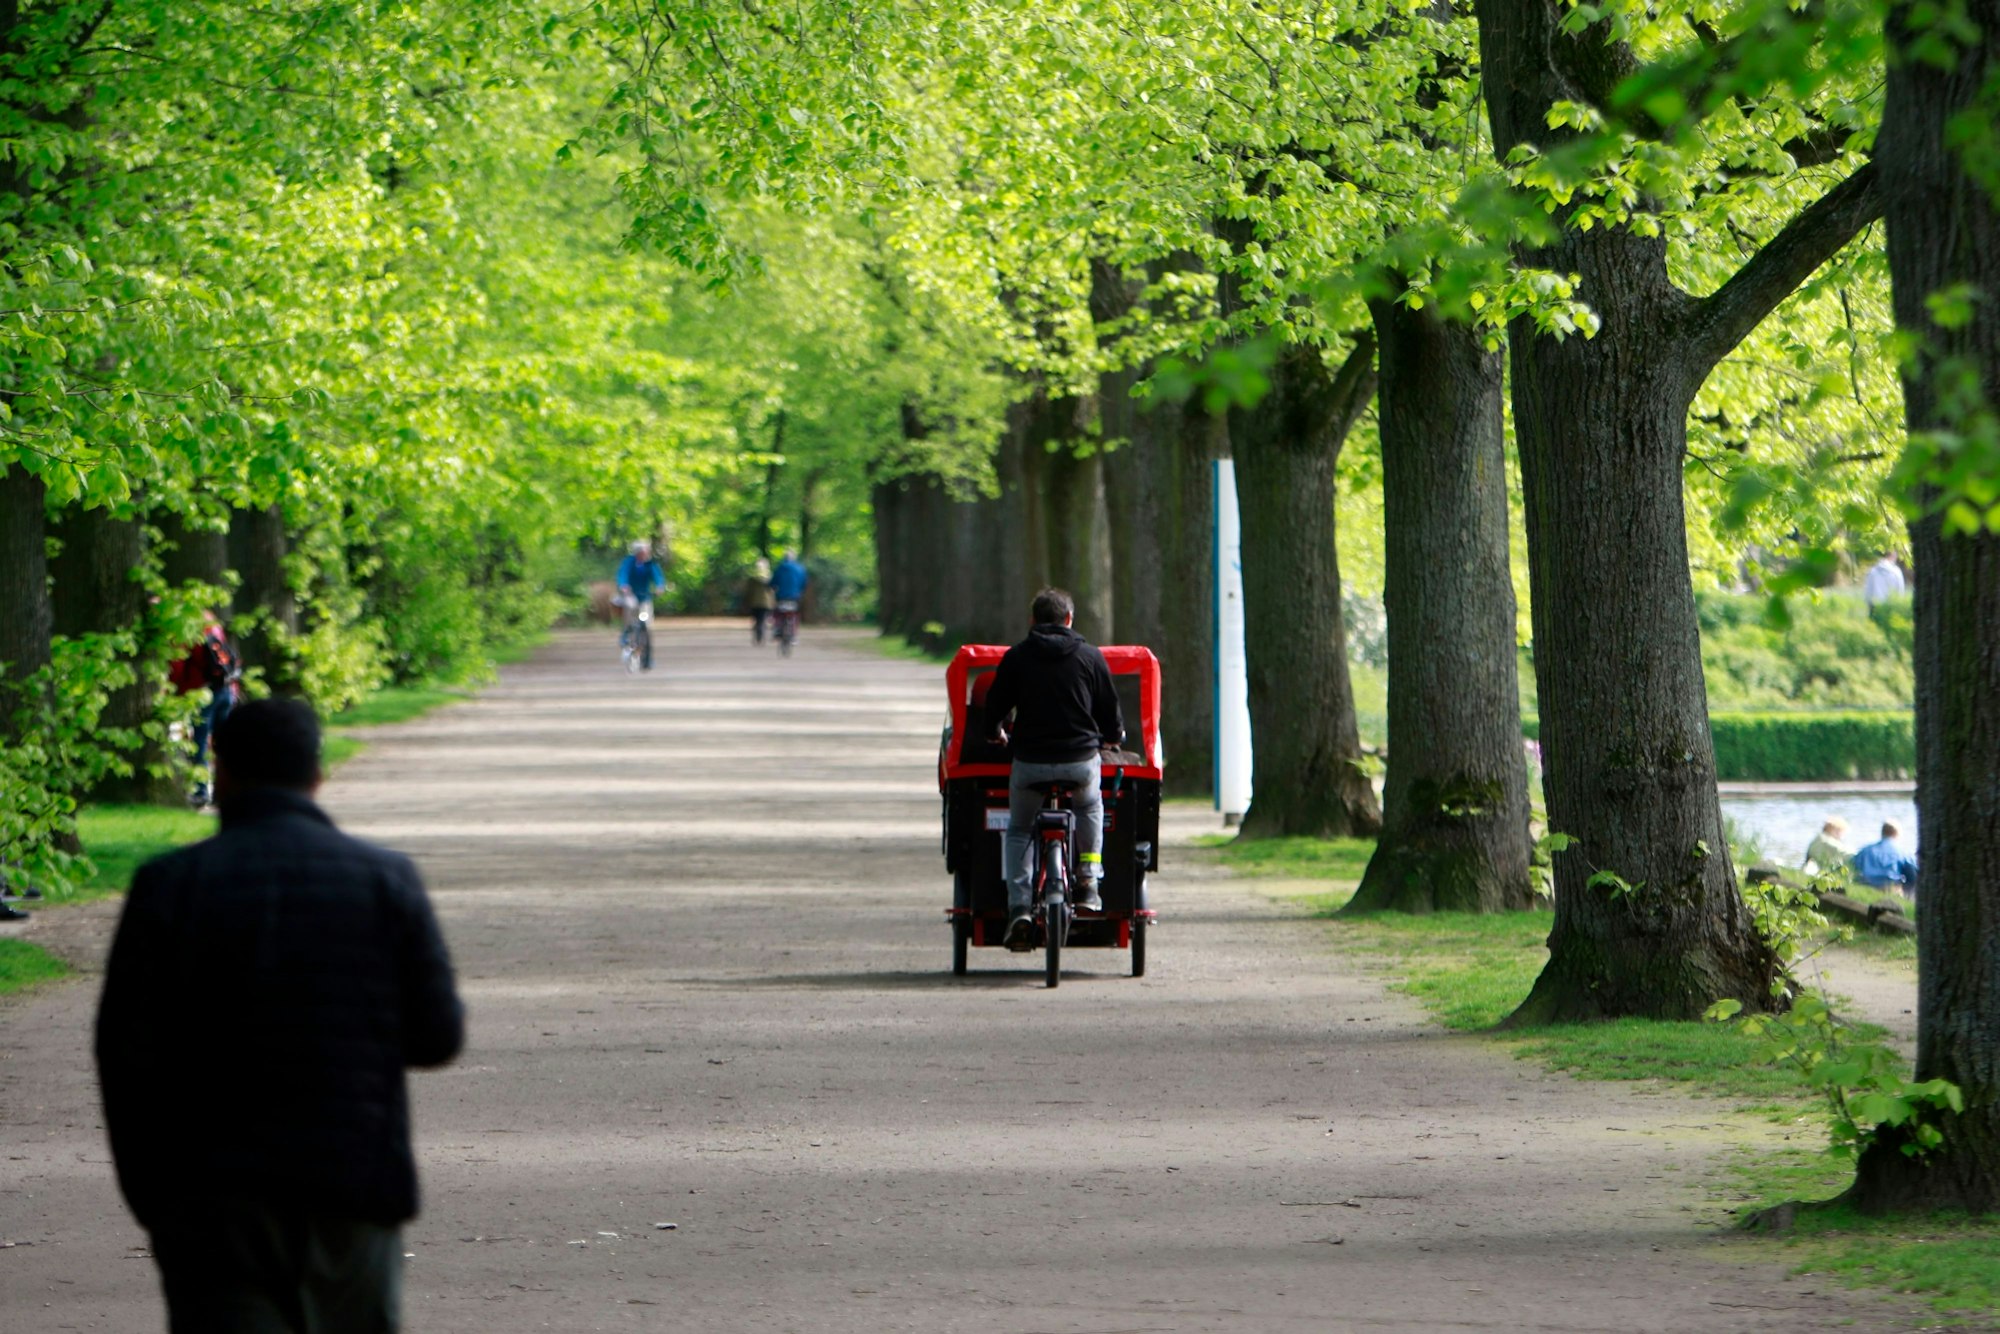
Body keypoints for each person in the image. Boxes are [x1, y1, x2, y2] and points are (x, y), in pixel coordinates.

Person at [96, 698, 464, 1334]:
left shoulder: (168, 885)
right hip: (352, 1189)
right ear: (317, 775)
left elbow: (124, 1053)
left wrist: (152, 1195)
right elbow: (437, 1037)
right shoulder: (385, 879)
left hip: (214, 1196)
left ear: (223, 772)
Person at [982, 587, 1126, 947]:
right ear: (1069, 619)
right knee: (1090, 805)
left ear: (1033, 620)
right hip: (1079, 762)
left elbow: (994, 708)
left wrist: (994, 732)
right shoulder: (1091, 658)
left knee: (1019, 828)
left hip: (1030, 762)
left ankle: (1019, 908)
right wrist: (1111, 736)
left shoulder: (1017, 658)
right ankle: (1089, 880)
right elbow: (1111, 715)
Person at [168, 606, 241, 808]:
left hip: (201, 692)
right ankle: (226, 789)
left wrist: (173, 690)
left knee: (199, 742)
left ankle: (200, 791)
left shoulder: (185, 626)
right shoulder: (211, 621)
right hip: (225, 688)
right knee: (222, 743)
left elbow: (178, 665)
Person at [616, 539, 667, 670]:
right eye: (643, 551)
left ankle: (647, 659)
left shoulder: (650, 564)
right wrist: (624, 586)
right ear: (637, 552)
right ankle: (626, 633)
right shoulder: (629, 562)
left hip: (645, 597)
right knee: (630, 608)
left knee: (647, 625)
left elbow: (658, 577)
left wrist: (660, 587)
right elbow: (623, 575)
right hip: (631, 595)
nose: (645, 554)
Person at [1851, 821, 1919, 896]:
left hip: (1865, 887)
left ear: (1882, 833)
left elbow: (1853, 867)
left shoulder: (1865, 850)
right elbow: (1913, 877)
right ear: (1896, 834)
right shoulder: (1903, 853)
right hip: (1890, 889)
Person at [744, 557, 776, 644]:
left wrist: (747, 602)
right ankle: (761, 634)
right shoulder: (770, 578)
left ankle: (758, 634)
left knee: (757, 619)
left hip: (754, 602)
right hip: (766, 603)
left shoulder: (752, 579)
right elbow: (773, 591)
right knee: (762, 620)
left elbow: (748, 591)